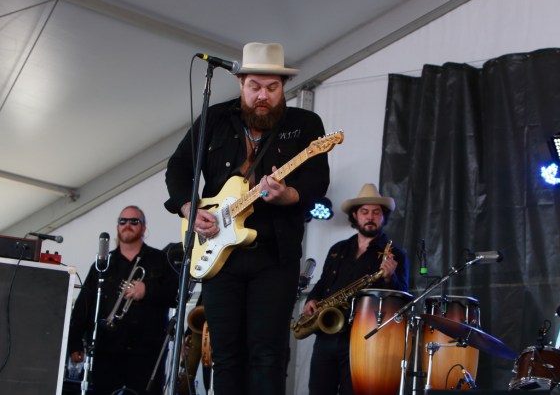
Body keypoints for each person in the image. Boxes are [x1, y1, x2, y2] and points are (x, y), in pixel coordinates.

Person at [164, 42, 331, 395]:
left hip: (275, 255)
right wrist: (190, 210)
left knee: (268, 354)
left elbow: (317, 180)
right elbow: (178, 167)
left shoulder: (304, 124)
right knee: (226, 356)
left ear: (283, 86)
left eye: (272, 87)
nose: (263, 96)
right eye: (254, 86)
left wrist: (289, 195)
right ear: (240, 83)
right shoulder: (215, 119)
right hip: (218, 255)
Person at [301, 183, 409, 395]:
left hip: (363, 339)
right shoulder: (338, 249)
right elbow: (323, 283)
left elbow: (404, 298)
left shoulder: (396, 254)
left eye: (376, 212)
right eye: (365, 212)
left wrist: (390, 277)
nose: (370, 217)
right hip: (327, 332)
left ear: (383, 217)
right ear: (355, 215)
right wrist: (311, 299)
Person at [67, 205, 179, 395]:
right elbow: (84, 305)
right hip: (108, 349)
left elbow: (176, 296)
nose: (128, 225)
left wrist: (147, 290)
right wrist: (75, 342)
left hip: (147, 352)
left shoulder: (161, 260)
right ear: (117, 227)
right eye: (123, 221)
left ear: (143, 227)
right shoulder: (103, 264)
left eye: (134, 221)